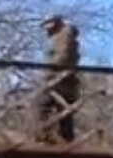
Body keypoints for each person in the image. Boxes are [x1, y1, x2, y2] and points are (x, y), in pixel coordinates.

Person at [37, 14, 81, 144]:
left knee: (42, 104)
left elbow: (63, 56)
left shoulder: (64, 35)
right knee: (64, 111)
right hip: (65, 80)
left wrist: (49, 72)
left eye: (48, 25)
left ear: (55, 23)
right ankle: (66, 140)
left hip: (59, 80)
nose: (46, 29)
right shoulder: (63, 36)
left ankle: (45, 137)